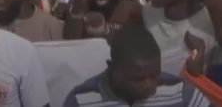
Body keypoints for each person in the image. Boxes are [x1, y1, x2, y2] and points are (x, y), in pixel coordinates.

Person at [64, 24, 209, 106]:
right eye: (137, 79)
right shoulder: (82, 99)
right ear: (112, 68)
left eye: (154, 75)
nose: (149, 84)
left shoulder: (179, 90)